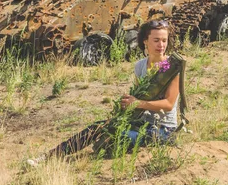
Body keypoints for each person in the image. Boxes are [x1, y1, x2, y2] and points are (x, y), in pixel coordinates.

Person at [27, 19, 184, 167]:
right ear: (145, 41)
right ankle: (50, 156)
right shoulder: (140, 66)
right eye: (156, 40)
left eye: (164, 40)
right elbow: (139, 98)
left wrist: (137, 103)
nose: (161, 45)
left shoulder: (170, 68)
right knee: (98, 127)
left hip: (163, 130)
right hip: (142, 123)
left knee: (118, 137)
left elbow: (169, 105)